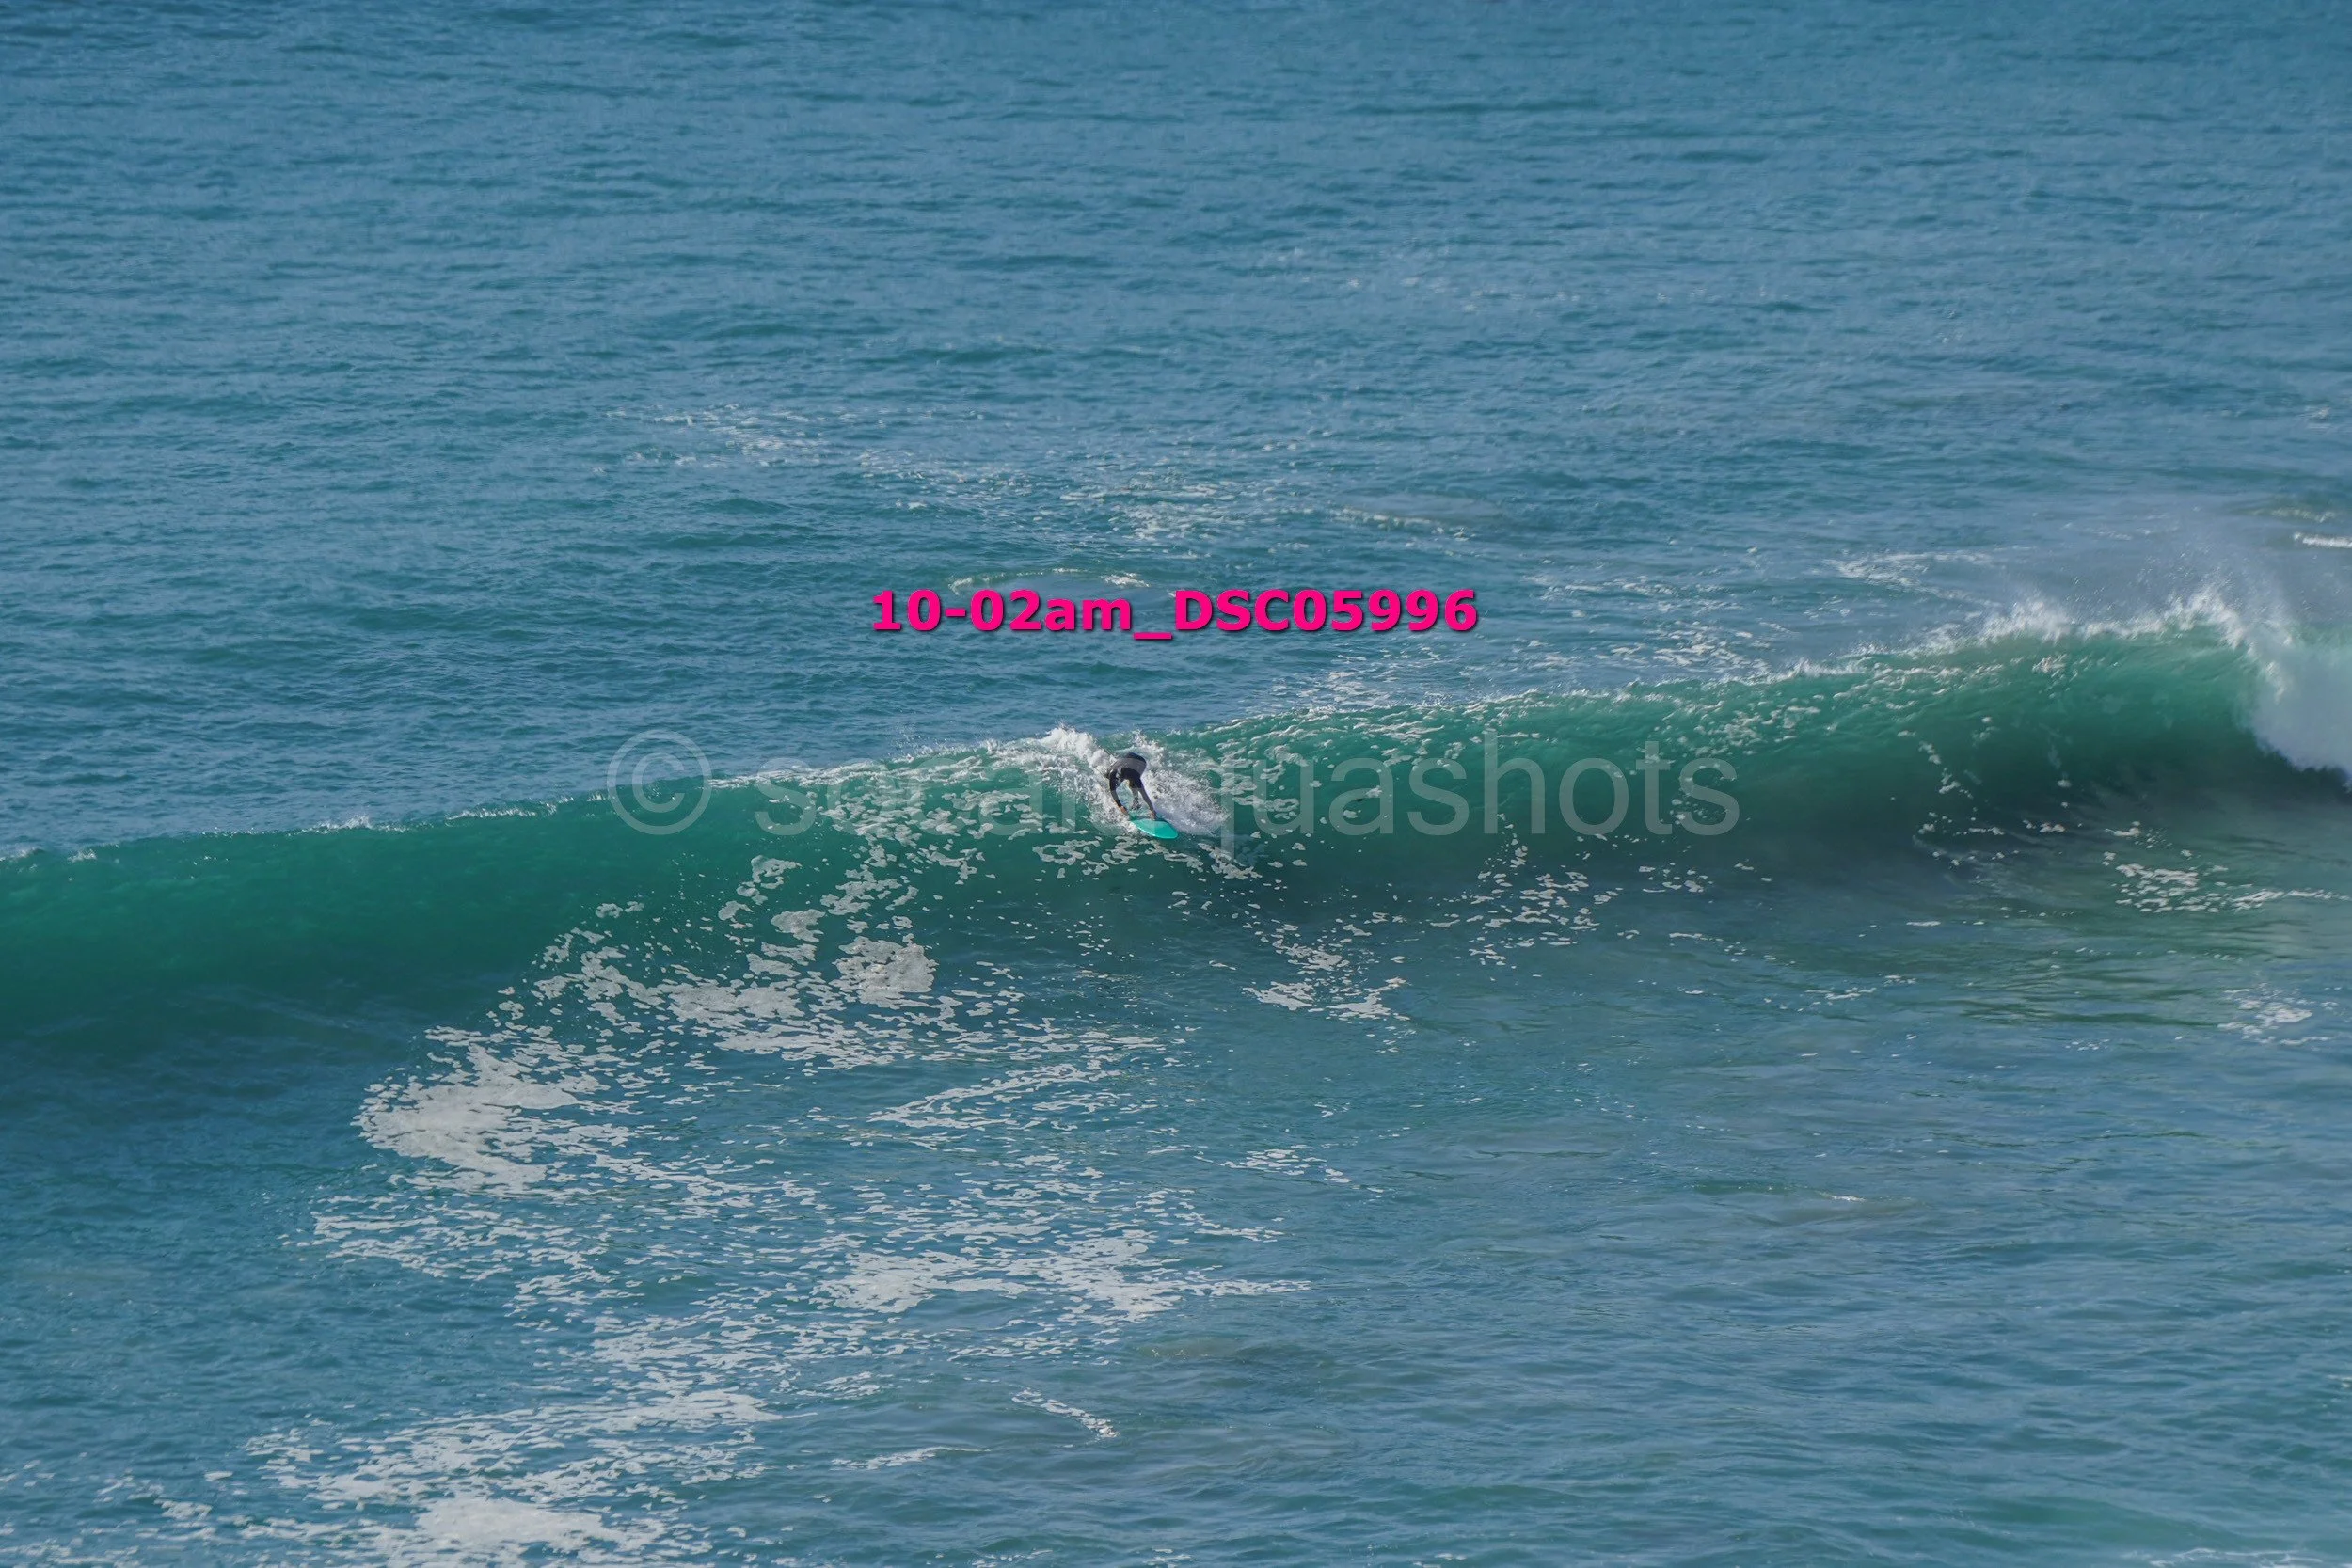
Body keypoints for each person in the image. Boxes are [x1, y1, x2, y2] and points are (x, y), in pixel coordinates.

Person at [1104, 749, 1159, 820]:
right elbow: (1112, 790)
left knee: (1133, 785)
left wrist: (1151, 809)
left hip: (1140, 762)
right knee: (1109, 779)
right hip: (1129, 757)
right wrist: (1120, 806)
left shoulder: (1134, 775)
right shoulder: (1112, 772)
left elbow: (1143, 793)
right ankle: (1117, 801)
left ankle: (1136, 802)